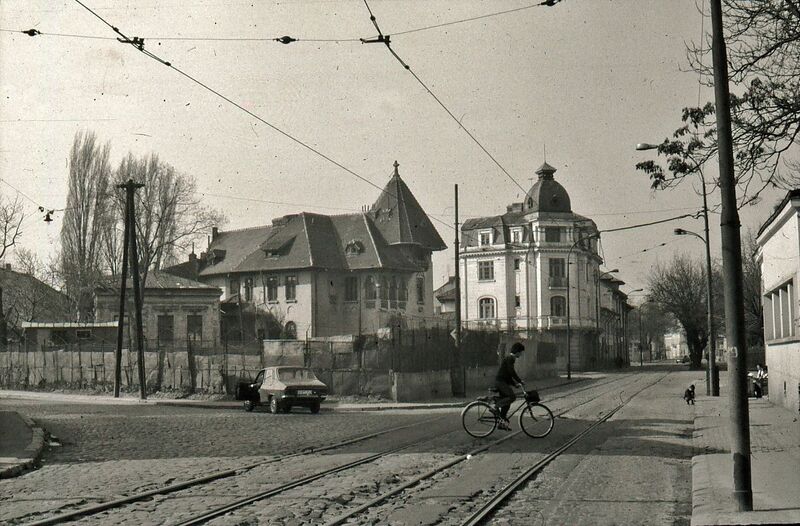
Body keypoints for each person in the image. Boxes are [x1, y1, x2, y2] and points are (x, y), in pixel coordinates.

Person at [494, 342, 525, 430]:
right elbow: (511, 372)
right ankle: (497, 405)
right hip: (500, 382)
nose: (521, 354)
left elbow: (508, 374)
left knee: (507, 404)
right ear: (517, 352)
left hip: (503, 382)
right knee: (512, 397)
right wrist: (519, 380)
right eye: (521, 352)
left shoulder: (510, 358)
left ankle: (501, 423)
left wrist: (515, 384)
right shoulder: (510, 358)